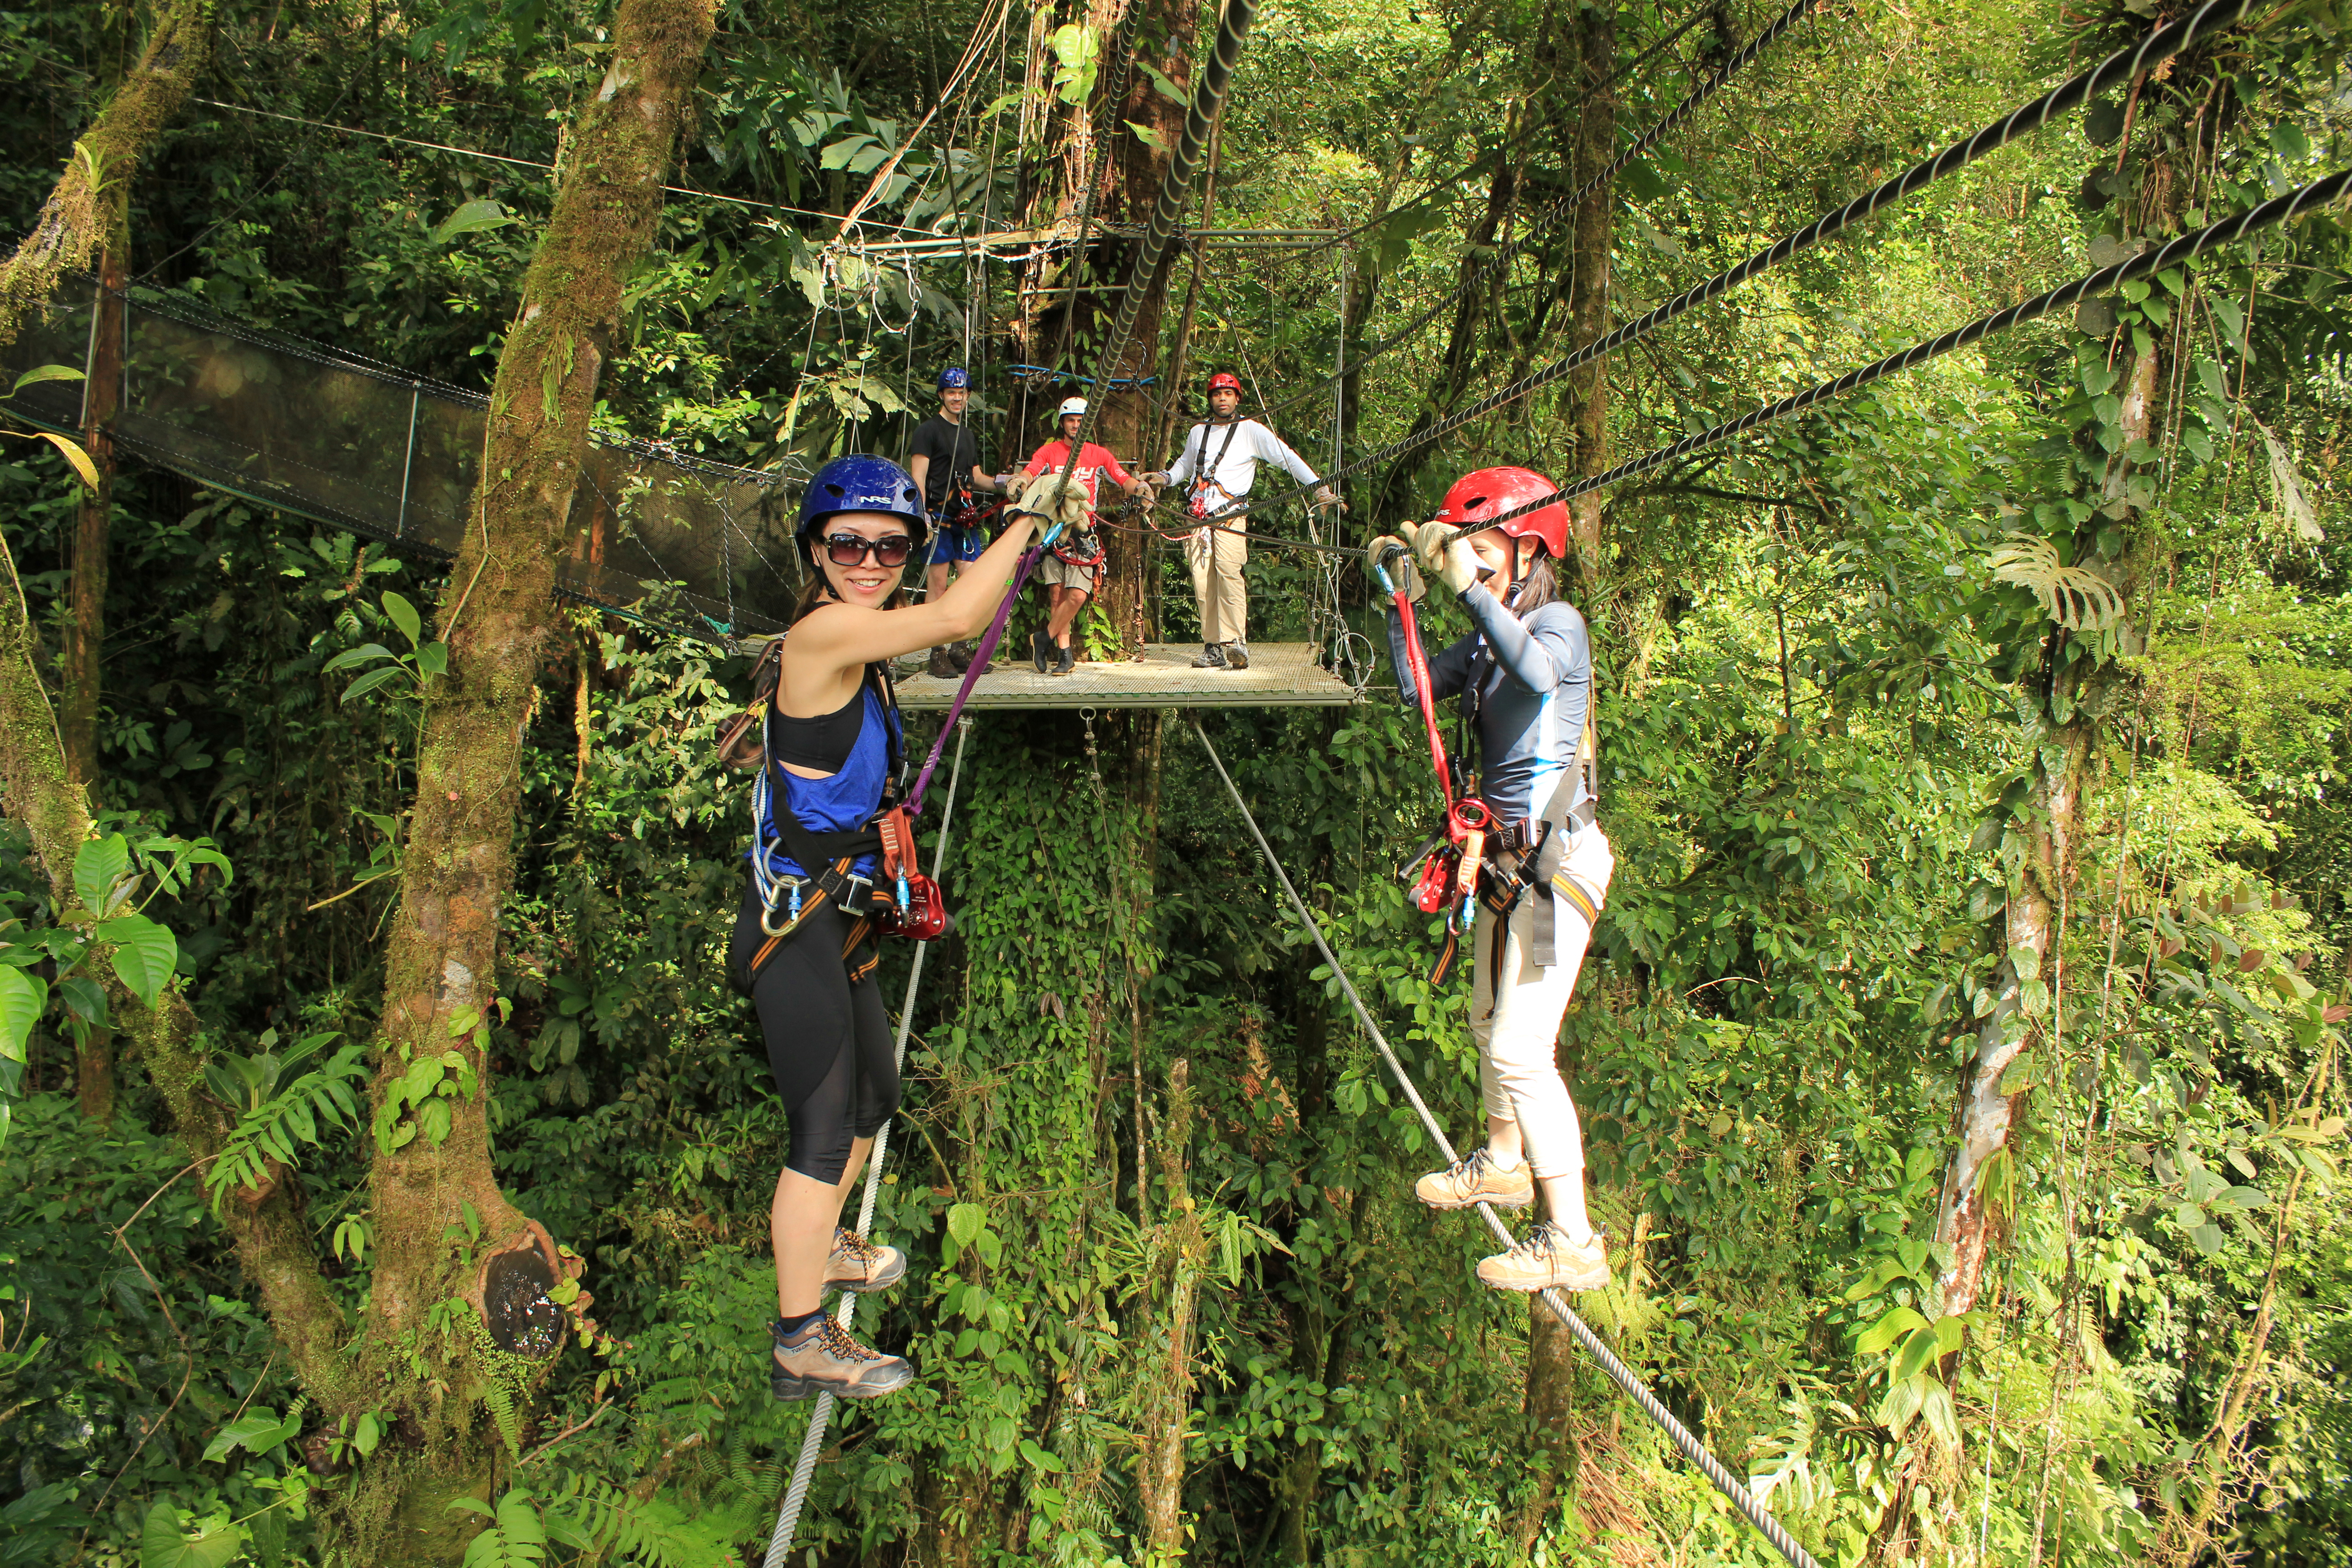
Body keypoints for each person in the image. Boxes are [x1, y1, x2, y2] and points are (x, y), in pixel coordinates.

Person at [735, 452, 1042, 1398]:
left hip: (843, 919)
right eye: (850, 544)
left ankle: (822, 1248)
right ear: (817, 553)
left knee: (875, 1102)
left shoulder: (860, 642)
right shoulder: (823, 635)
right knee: (824, 1134)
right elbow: (957, 616)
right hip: (795, 926)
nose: (870, 560)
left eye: (891, 546)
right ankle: (799, 1338)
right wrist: (1032, 519)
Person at [1362, 467, 1615, 1294]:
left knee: (1518, 1049)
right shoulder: (1484, 635)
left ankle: (1572, 1242)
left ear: (1526, 549)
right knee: (1483, 1023)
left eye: (1481, 548)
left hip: (1555, 867)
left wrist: (1464, 589)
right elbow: (1416, 690)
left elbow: (1536, 676)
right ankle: (1505, 1164)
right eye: (1462, 549)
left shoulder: (1557, 624)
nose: (1466, 562)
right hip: (1503, 866)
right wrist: (1396, 593)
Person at [1145, 371, 1338, 671]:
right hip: (1199, 517)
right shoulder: (1199, 431)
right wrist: (1164, 478)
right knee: (1202, 581)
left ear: (1237, 398)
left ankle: (1236, 642)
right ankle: (1213, 647)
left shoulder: (1251, 431)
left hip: (1230, 514)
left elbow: (1286, 458)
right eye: (1217, 394)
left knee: (1228, 573)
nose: (1222, 399)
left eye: (1228, 394)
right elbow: (1185, 464)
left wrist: (1320, 489)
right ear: (1210, 399)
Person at [1016, 396, 1149, 676]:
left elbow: (1122, 478)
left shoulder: (1099, 455)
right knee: (1057, 594)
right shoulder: (1050, 452)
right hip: (1053, 533)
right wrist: (1020, 482)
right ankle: (1065, 656)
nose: (1076, 425)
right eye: (1071, 421)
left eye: (1081, 421)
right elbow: (1031, 471)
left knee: (1077, 596)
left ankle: (1044, 638)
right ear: (1063, 423)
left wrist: (1141, 488)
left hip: (1083, 534)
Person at [906, 367, 1010, 679]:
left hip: (964, 519)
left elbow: (977, 478)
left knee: (971, 582)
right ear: (941, 395)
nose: (957, 398)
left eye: (962, 393)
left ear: (967, 396)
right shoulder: (928, 432)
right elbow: (918, 478)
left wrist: (1007, 483)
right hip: (937, 519)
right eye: (951, 392)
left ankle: (959, 648)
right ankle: (937, 652)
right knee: (938, 586)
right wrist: (920, 515)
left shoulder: (967, 435)